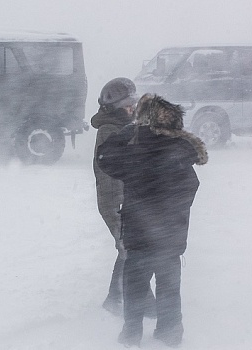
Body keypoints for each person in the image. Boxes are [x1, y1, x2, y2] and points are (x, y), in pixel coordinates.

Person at [97, 93, 208, 347]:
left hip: (140, 235)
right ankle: (170, 332)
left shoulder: (136, 150)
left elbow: (105, 158)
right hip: (171, 237)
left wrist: (128, 131)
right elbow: (191, 187)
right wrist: (172, 214)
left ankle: (131, 335)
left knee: (135, 286)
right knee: (169, 286)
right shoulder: (180, 150)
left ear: (143, 121)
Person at [91, 77, 156, 317]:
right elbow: (107, 172)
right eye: (127, 103)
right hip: (115, 201)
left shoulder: (124, 126)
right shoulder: (110, 130)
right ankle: (142, 303)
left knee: (129, 249)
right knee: (132, 252)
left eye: (133, 102)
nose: (132, 107)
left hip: (128, 199)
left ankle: (116, 298)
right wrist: (118, 206)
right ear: (115, 106)